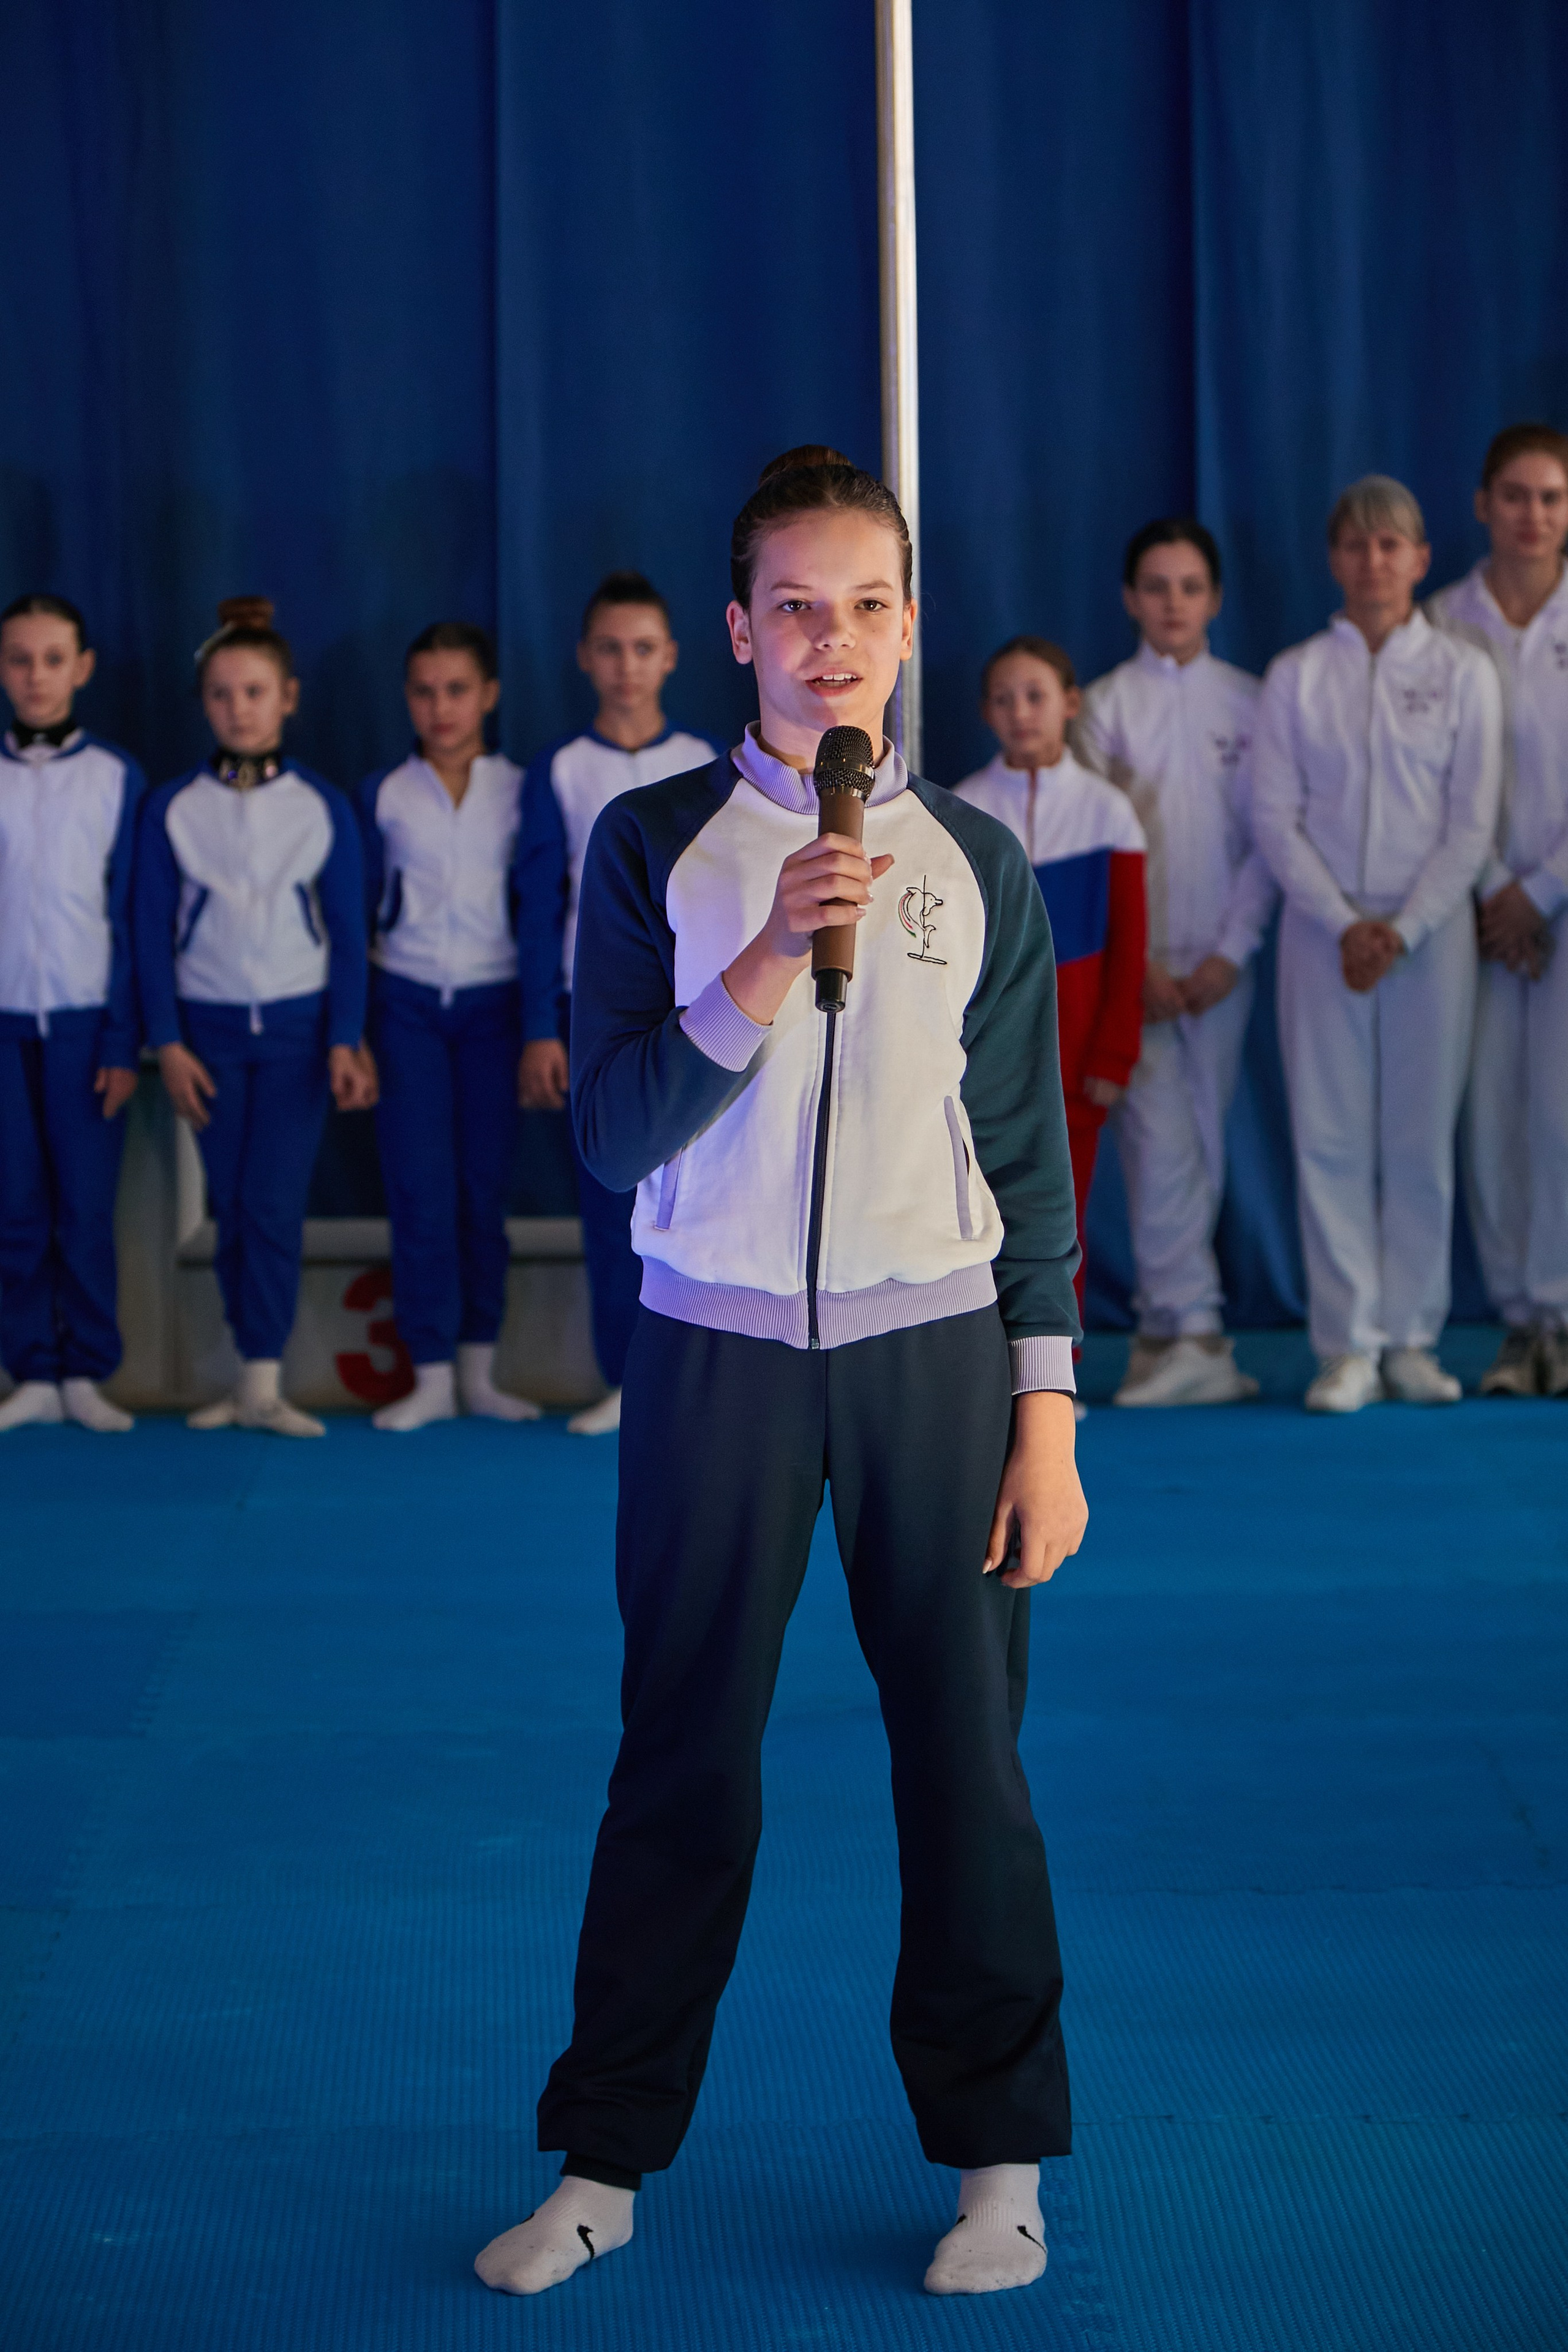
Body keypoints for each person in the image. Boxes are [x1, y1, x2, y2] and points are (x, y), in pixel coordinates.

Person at [475, 450, 1086, 2302]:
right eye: (798, 609)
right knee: (682, 1766)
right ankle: (604, 2160)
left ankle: (998, 2162)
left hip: (936, 1361)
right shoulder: (652, 845)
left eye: (870, 605)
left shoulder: (976, 859)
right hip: (713, 1364)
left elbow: (1029, 1149)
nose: (836, 645)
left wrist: (1043, 1412)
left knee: (965, 1767)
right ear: (738, 631)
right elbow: (608, 1125)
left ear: (910, 625)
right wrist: (753, 966)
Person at [1251, 478, 1502, 1413]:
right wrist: (1343, 920)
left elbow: (1469, 824)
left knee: (1419, 1139)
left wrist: (1403, 927)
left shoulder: (1465, 672)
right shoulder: (1296, 675)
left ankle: (1412, 1339)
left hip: (1428, 939)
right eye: (1357, 546)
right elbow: (1276, 819)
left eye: (1392, 546)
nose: (1374, 562)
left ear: (1422, 560)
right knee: (1330, 1137)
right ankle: (1346, 1345)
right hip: (1324, 937)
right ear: (1335, 561)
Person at [135, 598, 375, 1436]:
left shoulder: (323, 807)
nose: (239, 709)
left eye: (255, 692)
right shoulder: (171, 809)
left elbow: (348, 935)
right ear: (205, 704)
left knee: (272, 1203)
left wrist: (345, 1038)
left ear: (288, 699)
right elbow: (148, 934)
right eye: (223, 695)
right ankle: (242, 1374)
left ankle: (266, 1381)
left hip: (299, 1034)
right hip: (206, 1036)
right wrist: (166, 1042)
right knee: (231, 1207)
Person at [1077, 519, 1275, 1406]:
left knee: (1203, 1130)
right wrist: (1141, 962)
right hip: (1143, 970)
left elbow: (1269, 840)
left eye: (1189, 588)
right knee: (1157, 1142)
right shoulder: (1106, 707)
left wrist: (1233, 952)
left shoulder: (1253, 702)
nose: (1173, 604)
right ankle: (1187, 1326)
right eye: (1156, 587)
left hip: (1219, 963)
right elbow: (1096, 845)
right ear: (1130, 599)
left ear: (1215, 599)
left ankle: (1175, 1328)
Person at [513, 572, 716, 1435]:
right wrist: (538, 1028)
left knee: (701, 1192)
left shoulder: (703, 763)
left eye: (643, 649)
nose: (627, 667)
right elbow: (537, 905)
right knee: (610, 1196)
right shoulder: (561, 769)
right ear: (585, 659)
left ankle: (700, 1376)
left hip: (696, 1011)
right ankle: (623, 1377)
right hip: (594, 1011)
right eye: (610, 649)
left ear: (670, 657)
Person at [358, 622, 540, 1431]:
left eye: (457, 690)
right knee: (420, 1192)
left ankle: (479, 1370)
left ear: (489, 696)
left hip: (494, 1010)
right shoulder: (385, 794)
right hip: (405, 1010)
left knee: (481, 1192)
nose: (441, 708)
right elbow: (355, 915)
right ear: (407, 700)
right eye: (425, 692)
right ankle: (428, 1370)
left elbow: (540, 910)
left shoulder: (519, 789)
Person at [953, 636, 1145, 1375]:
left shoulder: (1108, 813)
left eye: (1035, 696)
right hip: (982, 1062)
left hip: (1075, 1066)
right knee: (977, 1218)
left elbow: (1129, 948)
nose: (1020, 713)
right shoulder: (963, 808)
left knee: (1056, 1224)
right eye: (1003, 699)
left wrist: (1112, 1054)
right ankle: (982, 1373)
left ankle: (1051, 1374)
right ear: (985, 713)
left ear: (1070, 704)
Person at [1428, 423, 1568, 1398]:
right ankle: (1521, 1322)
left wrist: (1543, 891)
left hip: (1560, 904)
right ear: (1483, 505)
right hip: (1473, 913)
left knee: (1561, 1116)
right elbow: (1434, 790)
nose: (1533, 516)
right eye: (1515, 496)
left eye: (1552, 499)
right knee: (1492, 1121)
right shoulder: (1440, 624)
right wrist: (1491, 893)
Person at [0, 594, 143, 1433]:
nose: (36, 676)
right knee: (16, 1205)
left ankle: (88, 1367)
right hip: (7, 1021)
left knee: (86, 1206)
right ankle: (30, 1368)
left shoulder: (116, 777)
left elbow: (128, 915)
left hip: (88, 1025)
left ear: (82, 668)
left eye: (53, 659)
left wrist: (122, 1037)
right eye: (19, 659)